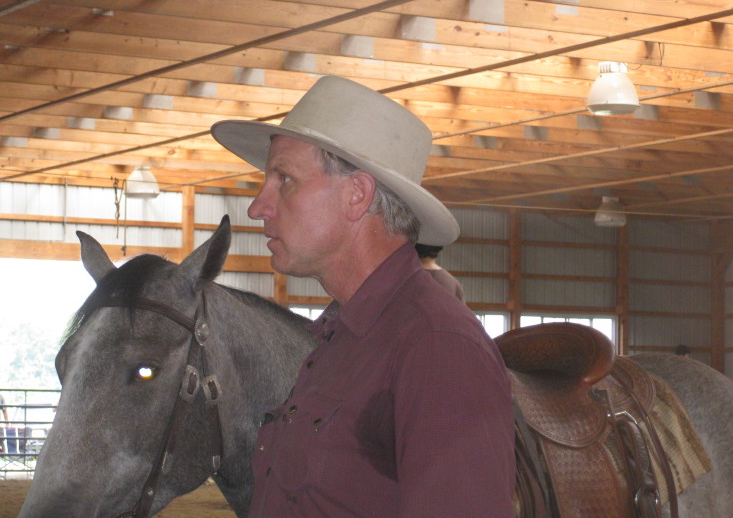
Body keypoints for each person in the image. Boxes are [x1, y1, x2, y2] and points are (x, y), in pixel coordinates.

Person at [212, 76, 515, 518]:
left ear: (357, 195)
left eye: (285, 179)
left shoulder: (436, 346)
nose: (258, 207)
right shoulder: (340, 336)